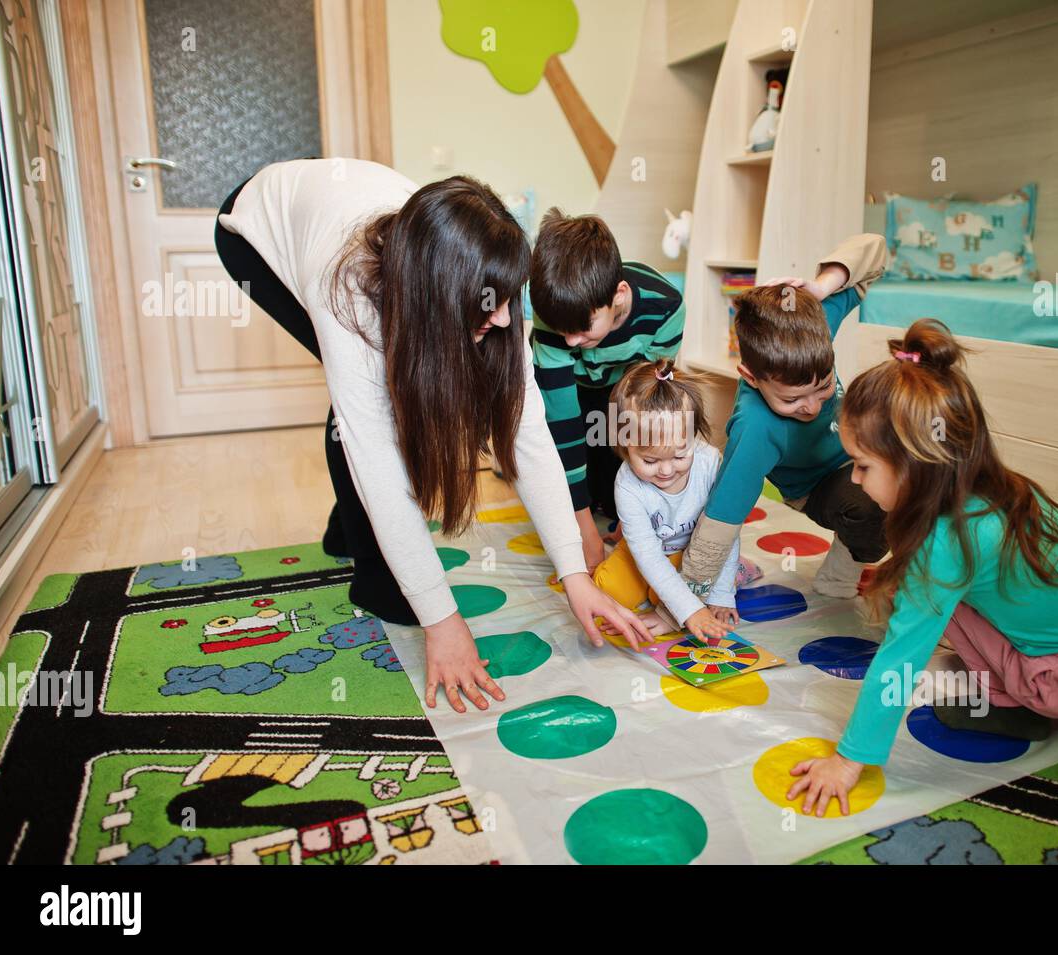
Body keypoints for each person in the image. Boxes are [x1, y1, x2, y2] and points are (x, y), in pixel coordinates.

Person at [215, 158, 649, 714]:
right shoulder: (345, 289)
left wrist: (572, 572)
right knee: (364, 409)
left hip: (366, 225)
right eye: (485, 306)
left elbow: (529, 433)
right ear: (436, 292)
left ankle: (343, 528)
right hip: (254, 230)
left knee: (376, 395)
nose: (500, 320)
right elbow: (375, 456)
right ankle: (369, 563)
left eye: (507, 300)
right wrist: (442, 623)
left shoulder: (490, 293)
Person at [788, 318, 1058, 816]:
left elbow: (900, 658)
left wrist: (850, 759)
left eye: (863, 465)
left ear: (916, 464)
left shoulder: (946, 542)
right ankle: (1024, 676)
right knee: (926, 594)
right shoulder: (997, 487)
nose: (854, 478)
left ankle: (1020, 708)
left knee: (925, 619)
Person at [678, 235, 890, 602]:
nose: (810, 406)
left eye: (822, 388)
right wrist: (687, 601)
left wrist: (821, 287)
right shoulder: (755, 427)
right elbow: (722, 516)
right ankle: (843, 571)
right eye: (792, 399)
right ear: (750, 377)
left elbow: (875, 250)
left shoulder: (814, 329)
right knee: (870, 512)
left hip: (859, 453)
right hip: (816, 487)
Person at [528, 209, 686, 573]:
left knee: (618, 490)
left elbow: (646, 401)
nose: (571, 341)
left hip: (621, 389)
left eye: (583, 328)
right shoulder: (556, 312)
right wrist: (582, 530)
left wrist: (642, 510)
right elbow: (561, 421)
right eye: (561, 330)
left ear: (618, 295)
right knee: (563, 474)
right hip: (569, 389)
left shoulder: (665, 307)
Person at [592, 359, 758, 642]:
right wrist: (690, 609)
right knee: (606, 592)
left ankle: (734, 571)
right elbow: (647, 556)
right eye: (650, 460)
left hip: (694, 552)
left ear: (694, 436)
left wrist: (719, 594)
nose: (667, 470)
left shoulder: (709, 463)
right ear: (624, 447)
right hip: (645, 552)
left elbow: (724, 533)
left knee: (670, 597)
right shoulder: (627, 485)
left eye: (680, 456)